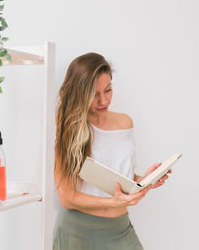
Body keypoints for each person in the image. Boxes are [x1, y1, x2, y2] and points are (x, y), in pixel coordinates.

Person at [53, 53, 171, 250]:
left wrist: (144, 181)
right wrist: (113, 202)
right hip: (78, 233)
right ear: (79, 94)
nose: (103, 101)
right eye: (94, 94)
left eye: (107, 90)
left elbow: (119, 176)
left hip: (119, 229)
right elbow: (67, 198)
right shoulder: (70, 130)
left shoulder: (125, 123)